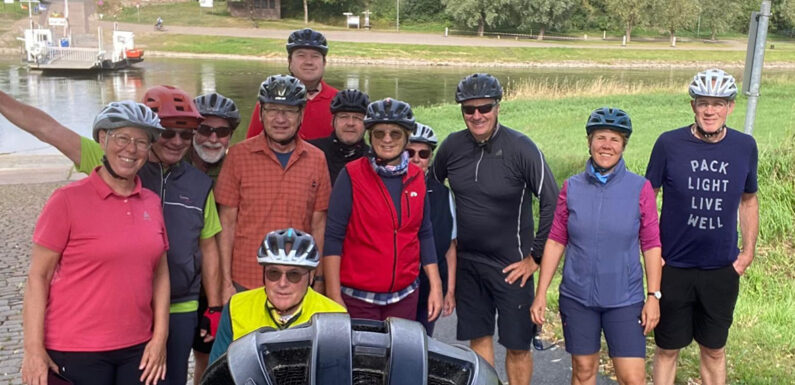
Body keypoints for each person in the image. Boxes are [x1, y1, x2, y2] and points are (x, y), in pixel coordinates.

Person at [0, 86, 224, 385]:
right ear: (104, 139)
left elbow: (204, 248)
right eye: (168, 133)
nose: (177, 141)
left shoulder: (189, 186)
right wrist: (33, 349)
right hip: (87, 333)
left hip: (170, 310)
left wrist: (213, 306)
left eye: (186, 135)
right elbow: (46, 128)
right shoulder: (96, 172)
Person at [21, 101, 170, 385]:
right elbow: (38, 277)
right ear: (103, 139)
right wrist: (33, 350)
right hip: (75, 348)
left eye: (141, 142)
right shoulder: (67, 200)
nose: (131, 149)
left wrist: (159, 338)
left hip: (138, 348)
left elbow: (160, 274)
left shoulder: (151, 202)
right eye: (122, 138)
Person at [431, 73, 559, 385]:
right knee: (478, 339)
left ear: (497, 107)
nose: (477, 115)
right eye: (469, 109)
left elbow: (553, 201)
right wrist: (443, 245)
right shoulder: (452, 146)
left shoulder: (521, 148)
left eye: (484, 108)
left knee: (517, 346)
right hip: (468, 264)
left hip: (512, 266)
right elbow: (431, 191)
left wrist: (536, 257)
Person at [529, 107, 662, 385]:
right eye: (600, 137)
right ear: (589, 142)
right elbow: (556, 240)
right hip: (578, 298)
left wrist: (653, 296)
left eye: (615, 139)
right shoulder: (572, 187)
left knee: (633, 378)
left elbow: (651, 245)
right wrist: (541, 294)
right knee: (583, 371)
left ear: (623, 145)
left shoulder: (640, 188)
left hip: (625, 299)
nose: (606, 145)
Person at [647, 69, 758, 385]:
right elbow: (648, 198)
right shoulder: (668, 143)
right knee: (667, 349)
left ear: (730, 107)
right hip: (673, 267)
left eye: (718, 103)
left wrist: (747, 253)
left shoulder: (744, 146)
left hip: (721, 270)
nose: (710, 111)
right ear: (693, 106)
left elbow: (749, 200)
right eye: (703, 103)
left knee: (714, 351)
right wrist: (653, 252)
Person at [323, 97, 443, 323]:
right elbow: (333, 238)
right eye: (379, 133)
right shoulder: (351, 175)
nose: (387, 139)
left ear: (406, 136)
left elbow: (424, 232)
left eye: (395, 134)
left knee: (402, 347)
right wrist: (334, 295)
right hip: (358, 299)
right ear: (370, 136)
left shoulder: (416, 177)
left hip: (404, 297)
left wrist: (436, 285)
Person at [215, 74, 331, 294]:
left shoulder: (317, 159)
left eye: (289, 111)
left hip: (296, 280)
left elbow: (319, 225)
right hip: (246, 279)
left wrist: (318, 278)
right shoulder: (238, 156)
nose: (280, 119)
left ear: (301, 114)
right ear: (261, 113)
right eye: (272, 110)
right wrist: (225, 281)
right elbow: (226, 224)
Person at [208, 228, 346, 363]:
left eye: (294, 275)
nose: (282, 283)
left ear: (310, 277)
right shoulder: (236, 307)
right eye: (273, 273)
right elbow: (216, 370)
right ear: (264, 274)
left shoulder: (333, 316)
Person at [188, 92, 241, 385]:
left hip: (213, 280)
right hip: (174, 276)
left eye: (221, 132)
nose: (212, 138)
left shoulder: (234, 167)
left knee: (208, 357)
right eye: (205, 129)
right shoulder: (173, 158)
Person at [407, 123, 457, 335]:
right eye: (409, 152)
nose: (416, 159)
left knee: (423, 341)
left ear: (430, 157)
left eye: (423, 153)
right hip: (399, 285)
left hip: (430, 284)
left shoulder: (443, 194)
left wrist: (449, 291)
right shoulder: (390, 187)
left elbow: (450, 246)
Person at [245, 28, 337, 141]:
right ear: (290, 61)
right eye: (301, 55)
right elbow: (251, 144)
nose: (309, 62)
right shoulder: (270, 99)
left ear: (324, 62)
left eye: (315, 56)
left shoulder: (337, 101)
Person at [308, 89, 370, 185]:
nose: (350, 123)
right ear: (333, 121)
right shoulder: (312, 152)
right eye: (344, 117)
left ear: (366, 124)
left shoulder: (374, 160)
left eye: (358, 118)